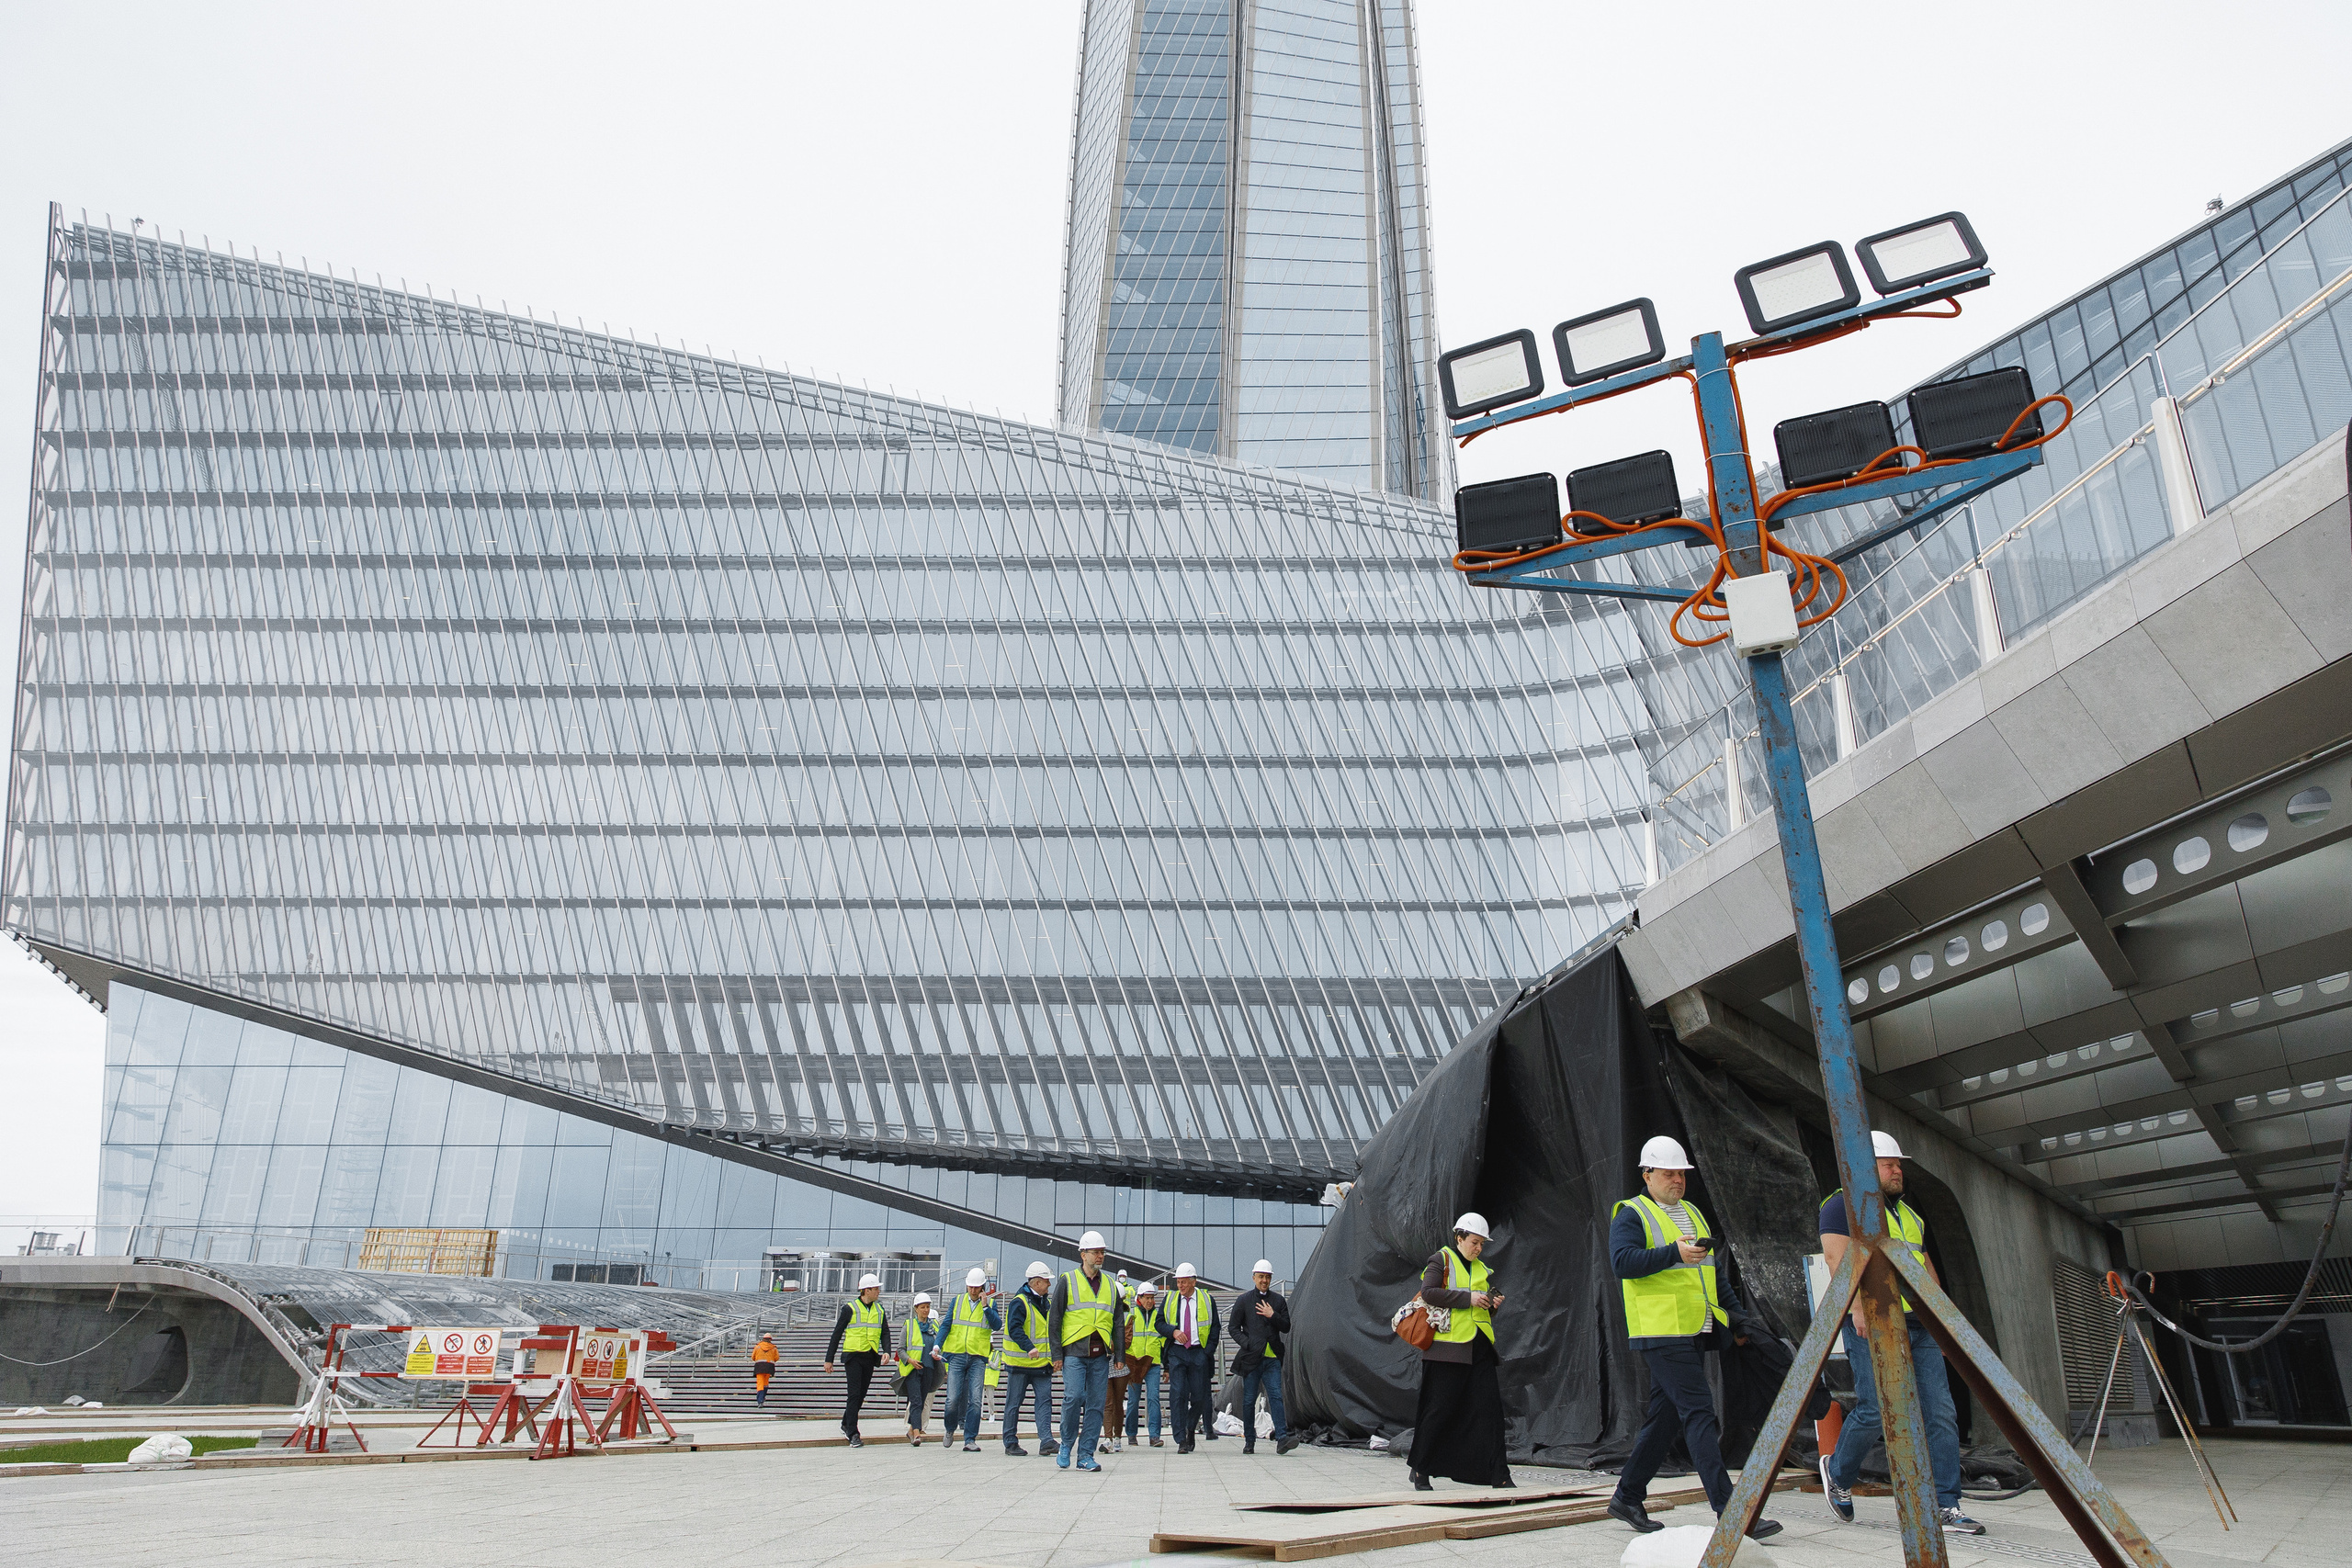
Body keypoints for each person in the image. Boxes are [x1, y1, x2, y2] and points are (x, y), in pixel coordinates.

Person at [1608, 1136, 1782, 1540]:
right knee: (1699, 1412)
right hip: (1660, 1330)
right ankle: (1732, 1512)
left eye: (1681, 1174)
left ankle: (1627, 1495)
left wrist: (1737, 1320)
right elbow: (1622, 1262)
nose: (1677, 1180)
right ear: (1646, 1174)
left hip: (1694, 1329)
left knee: (1667, 1416)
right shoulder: (1631, 1214)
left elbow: (1713, 1275)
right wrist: (1672, 1253)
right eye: (1668, 1173)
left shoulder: (1692, 1213)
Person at [1819, 1131, 1984, 1537]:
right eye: (1889, 1165)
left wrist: (1942, 1322)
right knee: (1876, 1408)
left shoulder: (1909, 1214)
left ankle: (1946, 1504)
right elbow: (1837, 1258)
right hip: (1872, 1320)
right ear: (1864, 1168)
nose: (1898, 1171)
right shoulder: (1841, 1206)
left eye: (1898, 1165)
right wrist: (1857, 1307)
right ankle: (1838, 1472)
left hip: (1918, 1325)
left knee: (1940, 1412)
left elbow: (1926, 1270)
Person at [1407, 1212, 1511, 1490]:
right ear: (1459, 1238)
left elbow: (1479, 1309)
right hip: (1447, 1350)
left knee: (1491, 1412)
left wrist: (1491, 1304)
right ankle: (1420, 1469)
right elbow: (1428, 1292)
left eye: (1481, 1244)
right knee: (1438, 1410)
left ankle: (1500, 1474)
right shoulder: (1441, 1259)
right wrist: (1469, 1298)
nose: (1478, 1249)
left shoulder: (1482, 1269)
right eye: (1474, 1242)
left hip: (1479, 1348)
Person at [1047, 1230, 1126, 1472]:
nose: (1100, 1256)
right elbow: (1055, 1319)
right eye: (1096, 1252)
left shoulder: (1111, 1287)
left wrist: (1120, 1355)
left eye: (1102, 1252)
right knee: (1073, 1398)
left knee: (1095, 1405)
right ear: (1083, 1254)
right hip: (1074, 1352)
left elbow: (1117, 1323)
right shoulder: (1067, 1280)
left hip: (1100, 1355)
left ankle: (1085, 1455)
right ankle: (1066, 1445)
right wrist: (1057, 1354)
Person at [1227, 1260, 1298, 1455]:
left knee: (1276, 1396)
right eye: (1261, 1277)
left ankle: (1282, 1438)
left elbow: (1286, 1326)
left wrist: (1272, 1314)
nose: (1264, 1280)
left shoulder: (1278, 1301)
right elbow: (1233, 1327)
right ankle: (1249, 1441)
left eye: (1267, 1277)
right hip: (1251, 1359)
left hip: (1272, 1358)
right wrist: (1247, 1343)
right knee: (1249, 1400)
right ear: (1254, 1278)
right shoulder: (1244, 1300)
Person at [823, 1272, 894, 1448]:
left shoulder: (879, 1309)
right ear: (866, 1290)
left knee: (861, 1394)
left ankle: (846, 1423)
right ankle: (853, 1432)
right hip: (853, 1355)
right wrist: (829, 1359)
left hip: (869, 1356)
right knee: (854, 1394)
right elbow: (837, 1333)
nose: (878, 1291)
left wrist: (887, 1350)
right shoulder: (850, 1308)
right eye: (876, 1288)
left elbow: (885, 1332)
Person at [1001, 1260, 1058, 1457]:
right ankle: (1010, 1442)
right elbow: (1014, 1328)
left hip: (1041, 1365)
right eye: (1046, 1281)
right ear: (1036, 1283)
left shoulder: (1046, 1303)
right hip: (1020, 1364)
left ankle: (1047, 1441)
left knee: (1045, 1401)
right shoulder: (1020, 1302)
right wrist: (1029, 1347)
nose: (1049, 1284)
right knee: (1014, 1404)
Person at [941, 1267, 1002, 1452]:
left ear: (983, 1287)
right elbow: (946, 1325)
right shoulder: (957, 1301)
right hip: (957, 1355)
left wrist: (985, 1307)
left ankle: (970, 1439)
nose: (973, 1290)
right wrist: (938, 1344)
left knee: (975, 1400)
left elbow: (997, 1325)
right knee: (952, 1398)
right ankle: (950, 1428)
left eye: (977, 1287)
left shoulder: (990, 1305)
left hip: (977, 1357)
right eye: (970, 1287)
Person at [1163, 1262, 1220, 1453]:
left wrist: (1207, 1353)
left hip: (1198, 1353)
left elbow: (1215, 1328)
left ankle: (1190, 1427)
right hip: (1177, 1353)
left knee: (1199, 1397)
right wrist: (1173, 1331)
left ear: (1193, 1281)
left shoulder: (1206, 1299)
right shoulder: (1171, 1300)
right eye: (1178, 1282)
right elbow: (1158, 1323)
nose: (1180, 1286)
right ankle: (1181, 1440)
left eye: (1184, 1282)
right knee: (1178, 1394)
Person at [896, 1292, 947, 1445]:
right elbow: (900, 1349)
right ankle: (917, 1434)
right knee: (916, 1400)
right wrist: (910, 1360)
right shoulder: (909, 1325)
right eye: (922, 1307)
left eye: (928, 1307)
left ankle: (911, 1429)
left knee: (922, 1399)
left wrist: (939, 1355)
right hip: (913, 1369)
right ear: (916, 1309)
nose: (925, 1310)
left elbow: (940, 1346)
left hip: (930, 1368)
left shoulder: (935, 1326)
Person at [1123, 1280, 1169, 1447]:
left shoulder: (1159, 1317)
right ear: (1139, 1299)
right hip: (1134, 1364)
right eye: (1147, 1298)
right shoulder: (1130, 1315)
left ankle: (1154, 1436)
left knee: (1153, 1398)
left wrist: (1167, 1367)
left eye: (1152, 1298)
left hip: (1153, 1364)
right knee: (1133, 1401)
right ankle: (1131, 1434)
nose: (1150, 1301)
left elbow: (1165, 1345)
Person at [751, 1332, 779, 1410]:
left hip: (759, 1367)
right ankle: (763, 1397)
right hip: (769, 1367)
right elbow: (776, 1358)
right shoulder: (773, 1348)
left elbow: (753, 1357)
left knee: (760, 1384)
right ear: (770, 1339)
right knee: (766, 1383)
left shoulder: (758, 1347)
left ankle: (760, 1401)